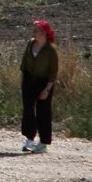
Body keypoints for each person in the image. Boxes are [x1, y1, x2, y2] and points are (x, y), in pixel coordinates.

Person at [20, 19, 60, 153]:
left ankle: (44, 142)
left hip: (44, 83)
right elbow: (24, 63)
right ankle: (29, 139)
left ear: (44, 33)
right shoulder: (31, 44)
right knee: (28, 111)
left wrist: (47, 89)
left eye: (37, 30)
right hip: (29, 80)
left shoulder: (51, 50)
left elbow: (53, 72)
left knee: (43, 112)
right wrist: (22, 81)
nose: (34, 32)